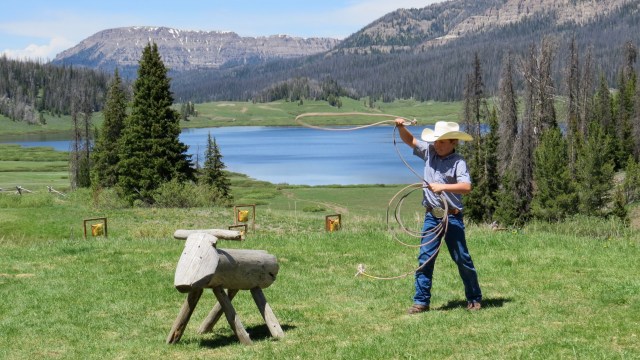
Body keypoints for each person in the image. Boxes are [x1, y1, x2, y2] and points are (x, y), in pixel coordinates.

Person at [394, 119, 482, 313]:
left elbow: (466, 187)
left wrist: (443, 186)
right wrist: (401, 127)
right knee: (425, 258)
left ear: (453, 142)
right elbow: (410, 141)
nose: (437, 145)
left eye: (442, 142)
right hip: (432, 217)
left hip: (452, 217)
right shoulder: (430, 152)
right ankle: (421, 302)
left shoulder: (458, 162)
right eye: (436, 141)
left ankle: (474, 298)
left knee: (461, 258)